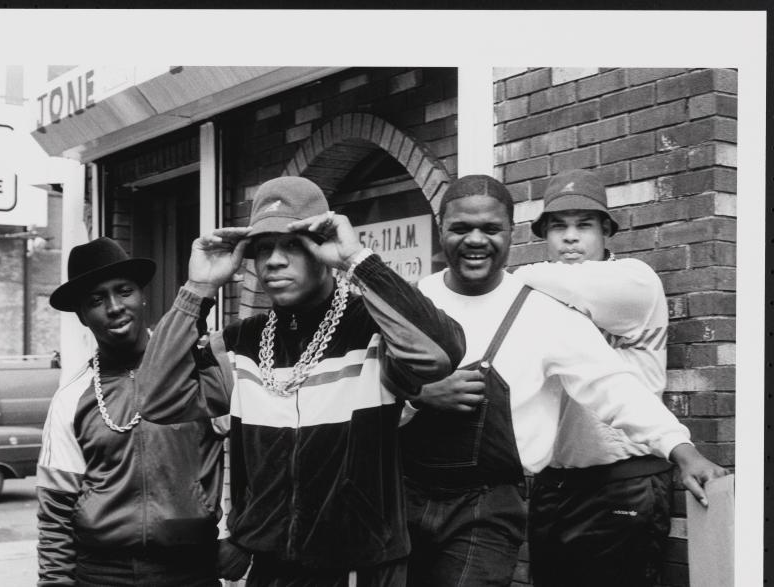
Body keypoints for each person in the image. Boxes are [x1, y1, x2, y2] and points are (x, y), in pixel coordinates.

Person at [398, 174, 728, 587]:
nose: (475, 240)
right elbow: (371, 393)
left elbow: (612, 385)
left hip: (491, 506)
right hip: (405, 495)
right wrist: (418, 395)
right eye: (461, 228)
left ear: (511, 234)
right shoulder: (413, 302)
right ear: (440, 230)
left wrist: (682, 450)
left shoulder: (545, 309)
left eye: (491, 229)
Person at [141, 175, 466, 586]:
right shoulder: (240, 343)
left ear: (320, 246)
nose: (274, 260)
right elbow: (155, 398)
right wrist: (197, 288)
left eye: (292, 244)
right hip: (271, 570)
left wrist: (357, 261)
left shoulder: (372, 329)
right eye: (262, 249)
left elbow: (441, 354)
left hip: (360, 569)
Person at [514, 168, 689, 587]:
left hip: (624, 480)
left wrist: (508, 279)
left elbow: (522, 281)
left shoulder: (633, 280)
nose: (570, 238)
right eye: (559, 227)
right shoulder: (541, 293)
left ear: (606, 231)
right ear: (545, 235)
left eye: (584, 226)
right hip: (556, 485)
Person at [36, 237, 229, 587]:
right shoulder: (71, 397)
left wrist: (240, 533)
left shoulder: (196, 370)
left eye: (123, 291)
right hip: (102, 574)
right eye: (96, 300)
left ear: (142, 296)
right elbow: (56, 511)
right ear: (82, 315)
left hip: (191, 570)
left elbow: (252, 452)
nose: (114, 307)